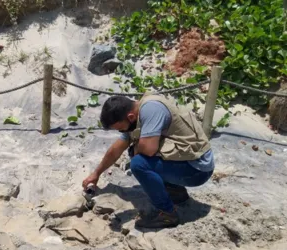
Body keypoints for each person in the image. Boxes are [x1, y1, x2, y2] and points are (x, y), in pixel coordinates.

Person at [83, 93, 214, 229]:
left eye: (121, 128)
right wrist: (96, 173)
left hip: (197, 170)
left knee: (139, 163)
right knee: (137, 151)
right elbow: (117, 147)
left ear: (130, 117)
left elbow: (149, 149)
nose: (122, 131)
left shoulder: (151, 110)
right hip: (189, 161)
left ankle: (168, 214)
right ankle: (175, 192)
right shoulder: (137, 110)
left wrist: (134, 148)